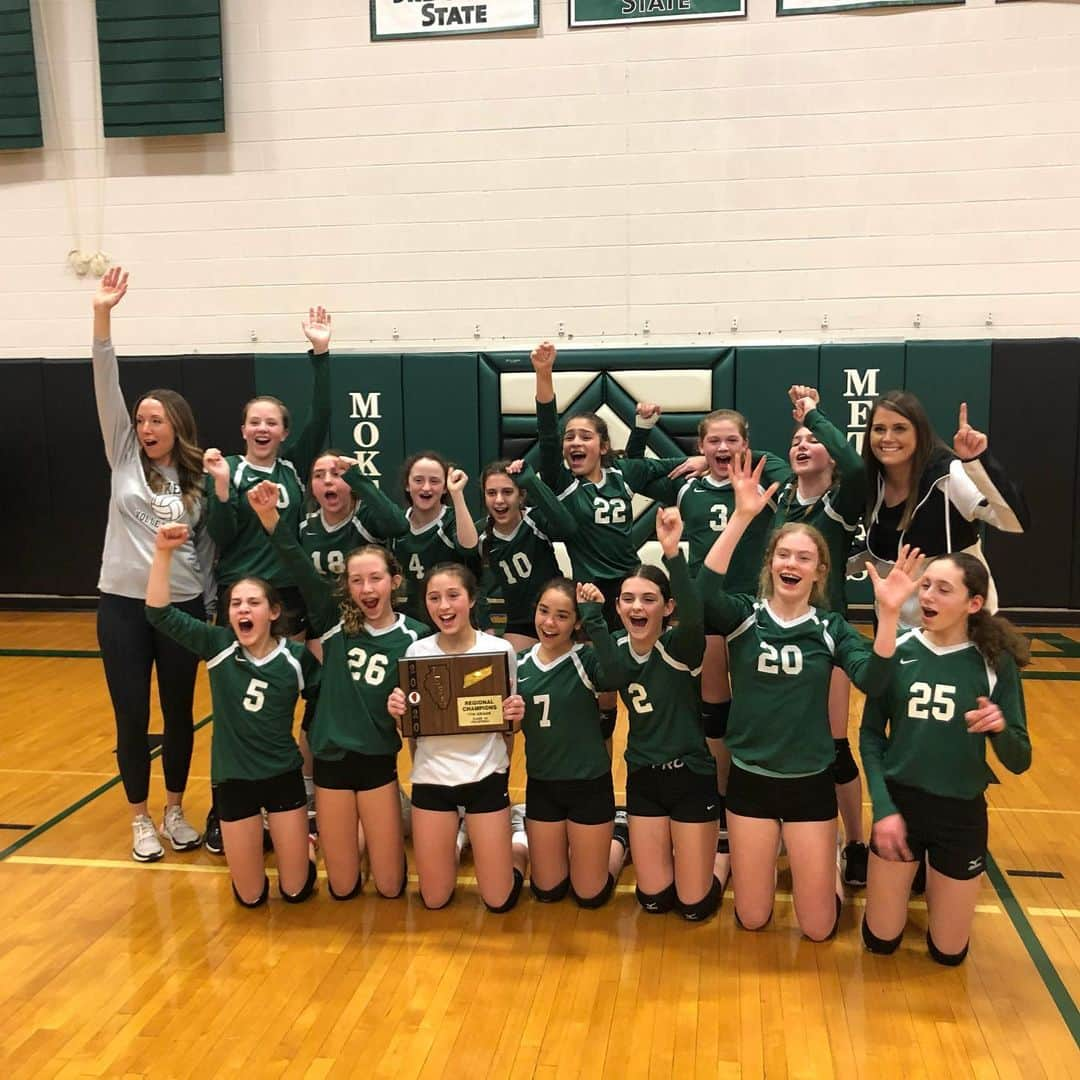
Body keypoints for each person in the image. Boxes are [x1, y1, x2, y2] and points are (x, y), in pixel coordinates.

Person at [699, 452, 920, 941]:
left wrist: (886, 618)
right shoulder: (743, 617)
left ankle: (832, 866)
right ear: (770, 563)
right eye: (783, 555)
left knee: (819, 928)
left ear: (820, 572)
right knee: (753, 918)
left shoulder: (831, 628)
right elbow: (702, 593)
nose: (791, 564)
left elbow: (875, 680)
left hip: (809, 784)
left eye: (804, 557)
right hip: (751, 781)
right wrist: (740, 517)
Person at [625, 400, 788, 886]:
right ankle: (721, 808)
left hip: (757, 608)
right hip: (709, 605)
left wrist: (746, 463)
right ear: (700, 445)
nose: (721, 448)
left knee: (760, 709)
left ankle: (764, 807)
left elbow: (784, 467)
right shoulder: (688, 484)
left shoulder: (764, 479)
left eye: (731, 441)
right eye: (712, 441)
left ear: (746, 443)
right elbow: (634, 473)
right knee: (714, 716)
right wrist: (645, 429)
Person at [247, 479, 426, 901]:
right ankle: (309, 852)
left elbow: (424, 707)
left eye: (375, 579)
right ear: (347, 586)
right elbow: (299, 567)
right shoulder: (333, 623)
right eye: (357, 581)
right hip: (330, 763)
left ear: (393, 581)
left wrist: (404, 708)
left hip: (378, 762)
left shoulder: (416, 637)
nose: (366, 589)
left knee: (389, 887)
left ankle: (371, 843)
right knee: (342, 888)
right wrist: (271, 517)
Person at [92, 266, 214, 862]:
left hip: (181, 607)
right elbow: (104, 380)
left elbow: (209, 552)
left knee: (179, 711)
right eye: (139, 420)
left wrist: (211, 608)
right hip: (120, 603)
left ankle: (175, 809)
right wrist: (103, 315)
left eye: (155, 420)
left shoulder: (197, 478)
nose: (144, 428)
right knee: (131, 713)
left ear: (176, 426)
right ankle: (141, 819)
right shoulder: (121, 453)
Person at [201, 307, 333, 850]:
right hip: (241, 597)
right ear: (243, 430)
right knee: (236, 703)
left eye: (271, 422)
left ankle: (292, 797)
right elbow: (224, 535)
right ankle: (226, 807)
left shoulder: (291, 467)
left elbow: (321, 418)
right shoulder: (225, 469)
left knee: (292, 693)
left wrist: (320, 355)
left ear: (282, 432)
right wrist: (226, 490)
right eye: (254, 421)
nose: (262, 428)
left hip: (289, 595)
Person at [860, 553, 1031, 965]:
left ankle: (933, 879)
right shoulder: (897, 649)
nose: (928, 596)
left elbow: (1020, 758)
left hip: (960, 812)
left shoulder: (994, 663)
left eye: (943, 588)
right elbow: (869, 736)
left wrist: (998, 728)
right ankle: (907, 877)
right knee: (881, 942)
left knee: (949, 953)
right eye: (925, 585)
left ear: (974, 604)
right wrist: (883, 810)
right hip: (900, 805)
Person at [146, 524, 319, 907]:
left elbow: (325, 702)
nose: (243, 609)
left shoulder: (295, 658)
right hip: (233, 780)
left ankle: (304, 844)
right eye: (236, 603)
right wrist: (163, 554)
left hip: (282, 777)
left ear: (273, 612)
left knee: (295, 891)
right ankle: (261, 846)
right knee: (251, 897)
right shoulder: (219, 644)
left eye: (253, 603)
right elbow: (158, 614)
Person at [530, 341, 687, 745]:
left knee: (647, 681)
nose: (573, 443)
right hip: (594, 595)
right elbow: (547, 434)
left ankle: (653, 753)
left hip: (632, 592)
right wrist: (543, 374)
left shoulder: (620, 476)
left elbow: (665, 468)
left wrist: (702, 458)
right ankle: (598, 770)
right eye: (570, 438)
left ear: (602, 445)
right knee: (601, 693)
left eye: (584, 436)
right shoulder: (563, 486)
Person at [387, 564, 528, 911]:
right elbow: (413, 735)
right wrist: (398, 712)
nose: (444, 606)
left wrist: (515, 718)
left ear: (471, 599)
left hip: (486, 777)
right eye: (434, 598)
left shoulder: (499, 650)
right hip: (432, 780)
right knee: (434, 899)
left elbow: (508, 728)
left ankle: (519, 838)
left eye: (453, 596)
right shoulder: (417, 653)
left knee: (498, 900)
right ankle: (460, 834)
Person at [772, 386, 869, 887]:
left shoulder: (838, 501)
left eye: (813, 438)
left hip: (825, 638)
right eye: (796, 439)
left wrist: (815, 411)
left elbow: (856, 467)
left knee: (833, 742)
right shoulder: (779, 498)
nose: (802, 443)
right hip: (773, 634)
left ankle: (855, 842)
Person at [615, 507, 723, 922]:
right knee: (655, 901)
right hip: (643, 777)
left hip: (690, 776)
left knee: (693, 905)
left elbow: (696, 614)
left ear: (667, 606)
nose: (637, 607)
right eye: (628, 599)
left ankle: (724, 857)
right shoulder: (613, 649)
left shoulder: (680, 646)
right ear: (618, 607)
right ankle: (625, 835)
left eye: (648, 599)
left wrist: (672, 554)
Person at [860, 392, 1028, 624]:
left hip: (960, 626)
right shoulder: (871, 481)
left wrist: (978, 461)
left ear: (919, 432)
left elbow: (1014, 522)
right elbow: (873, 551)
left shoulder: (950, 475)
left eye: (899, 428)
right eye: (879, 429)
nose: (887, 437)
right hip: (897, 625)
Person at [517, 579, 630, 907]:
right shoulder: (518, 663)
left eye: (562, 616)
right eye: (543, 611)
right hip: (542, 786)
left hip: (588, 786)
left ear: (576, 622)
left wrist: (597, 619)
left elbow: (616, 676)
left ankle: (620, 836)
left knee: (589, 895)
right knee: (548, 892)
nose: (549, 623)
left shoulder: (586, 659)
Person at [463, 460, 578, 652]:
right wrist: (485, 623)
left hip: (556, 613)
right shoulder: (481, 535)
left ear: (521, 495)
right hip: (521, 621)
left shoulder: (535, 519)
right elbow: (472, 582)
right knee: (511, 668)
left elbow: (568, 528)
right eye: (491, 493)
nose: (499, 500)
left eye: (507, 492)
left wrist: (530, 481)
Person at [392, 453, 477, 625]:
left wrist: (457, 494)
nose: (426, 488)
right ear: (407, 485)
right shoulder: (396, 523)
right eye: (418, 480)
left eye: (435, 481)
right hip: (408, 619)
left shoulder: (453, 519)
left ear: (445, 487)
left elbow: (469, 547)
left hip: (450, 617)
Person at [299, 450, 408, 582]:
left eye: (336, 474)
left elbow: (399, 527)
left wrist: (358, 479)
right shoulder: (306, 518)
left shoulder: (366, 514)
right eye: (318, 475)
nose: (327, 480)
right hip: (321, 601)